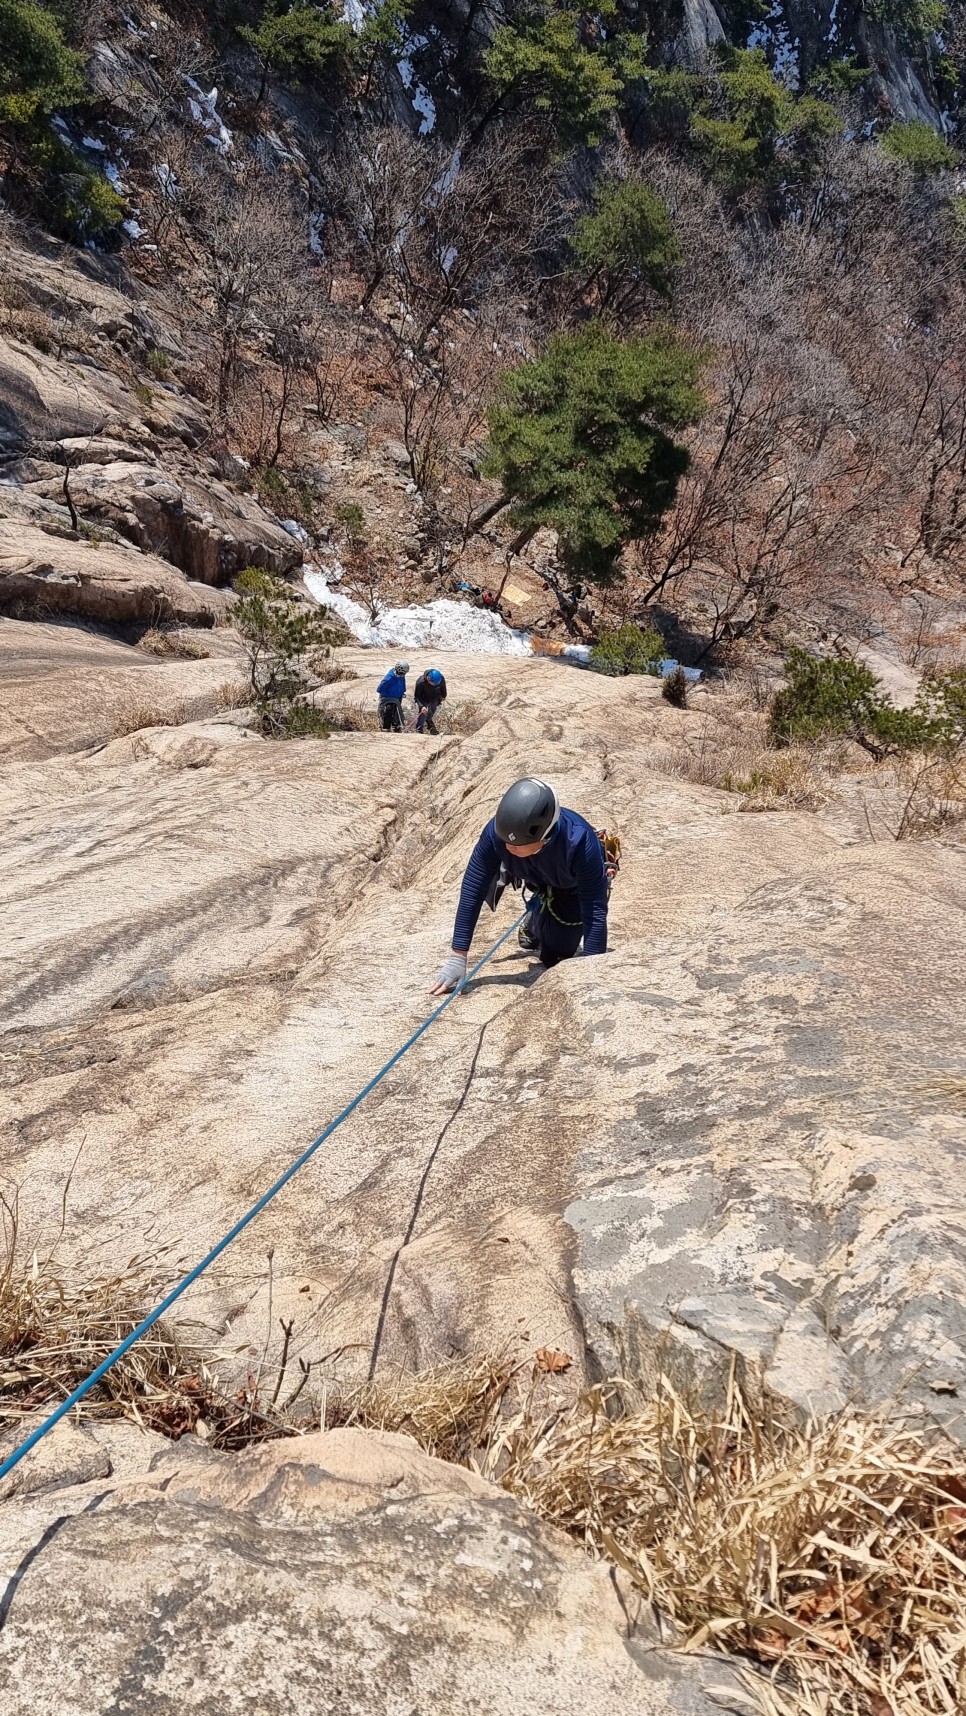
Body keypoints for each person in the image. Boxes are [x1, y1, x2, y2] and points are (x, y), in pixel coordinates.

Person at [429, 777, 608, 995]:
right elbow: (473, 889)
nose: (508, 847)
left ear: (545, 835)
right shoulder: (494, 834)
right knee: (553, 954)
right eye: (506, 840)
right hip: (534, 874)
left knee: (557, 956)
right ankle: (537, 914)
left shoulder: (581, 843)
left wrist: (593, 970)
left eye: (517, 844)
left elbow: (594, 907)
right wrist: (458, 956)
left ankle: (536, 920)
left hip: (570, 887)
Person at [376, 661, 409, 732]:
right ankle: (386, 727)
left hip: (398, 697)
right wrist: (388, 695)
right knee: (389, 711)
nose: (404, 675)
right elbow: (379, 689)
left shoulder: (401, 676)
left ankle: (396, 726)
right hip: (388, 698)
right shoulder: (389, 678)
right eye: (403, 673)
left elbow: (403, 684)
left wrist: (403, 691)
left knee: (397, 712)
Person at [413, 667, 447, 734]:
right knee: (423, 713)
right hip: (423, 698)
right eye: (433, 684)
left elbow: (443, 689)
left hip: (435, 698)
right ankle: (419, 729)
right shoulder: (420, 682)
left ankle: (429, 725)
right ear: (428, 678)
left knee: (431, 712)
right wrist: (421, 706)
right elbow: (417, 697)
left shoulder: (441, 678)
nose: (434, 685)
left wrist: (443, 696)